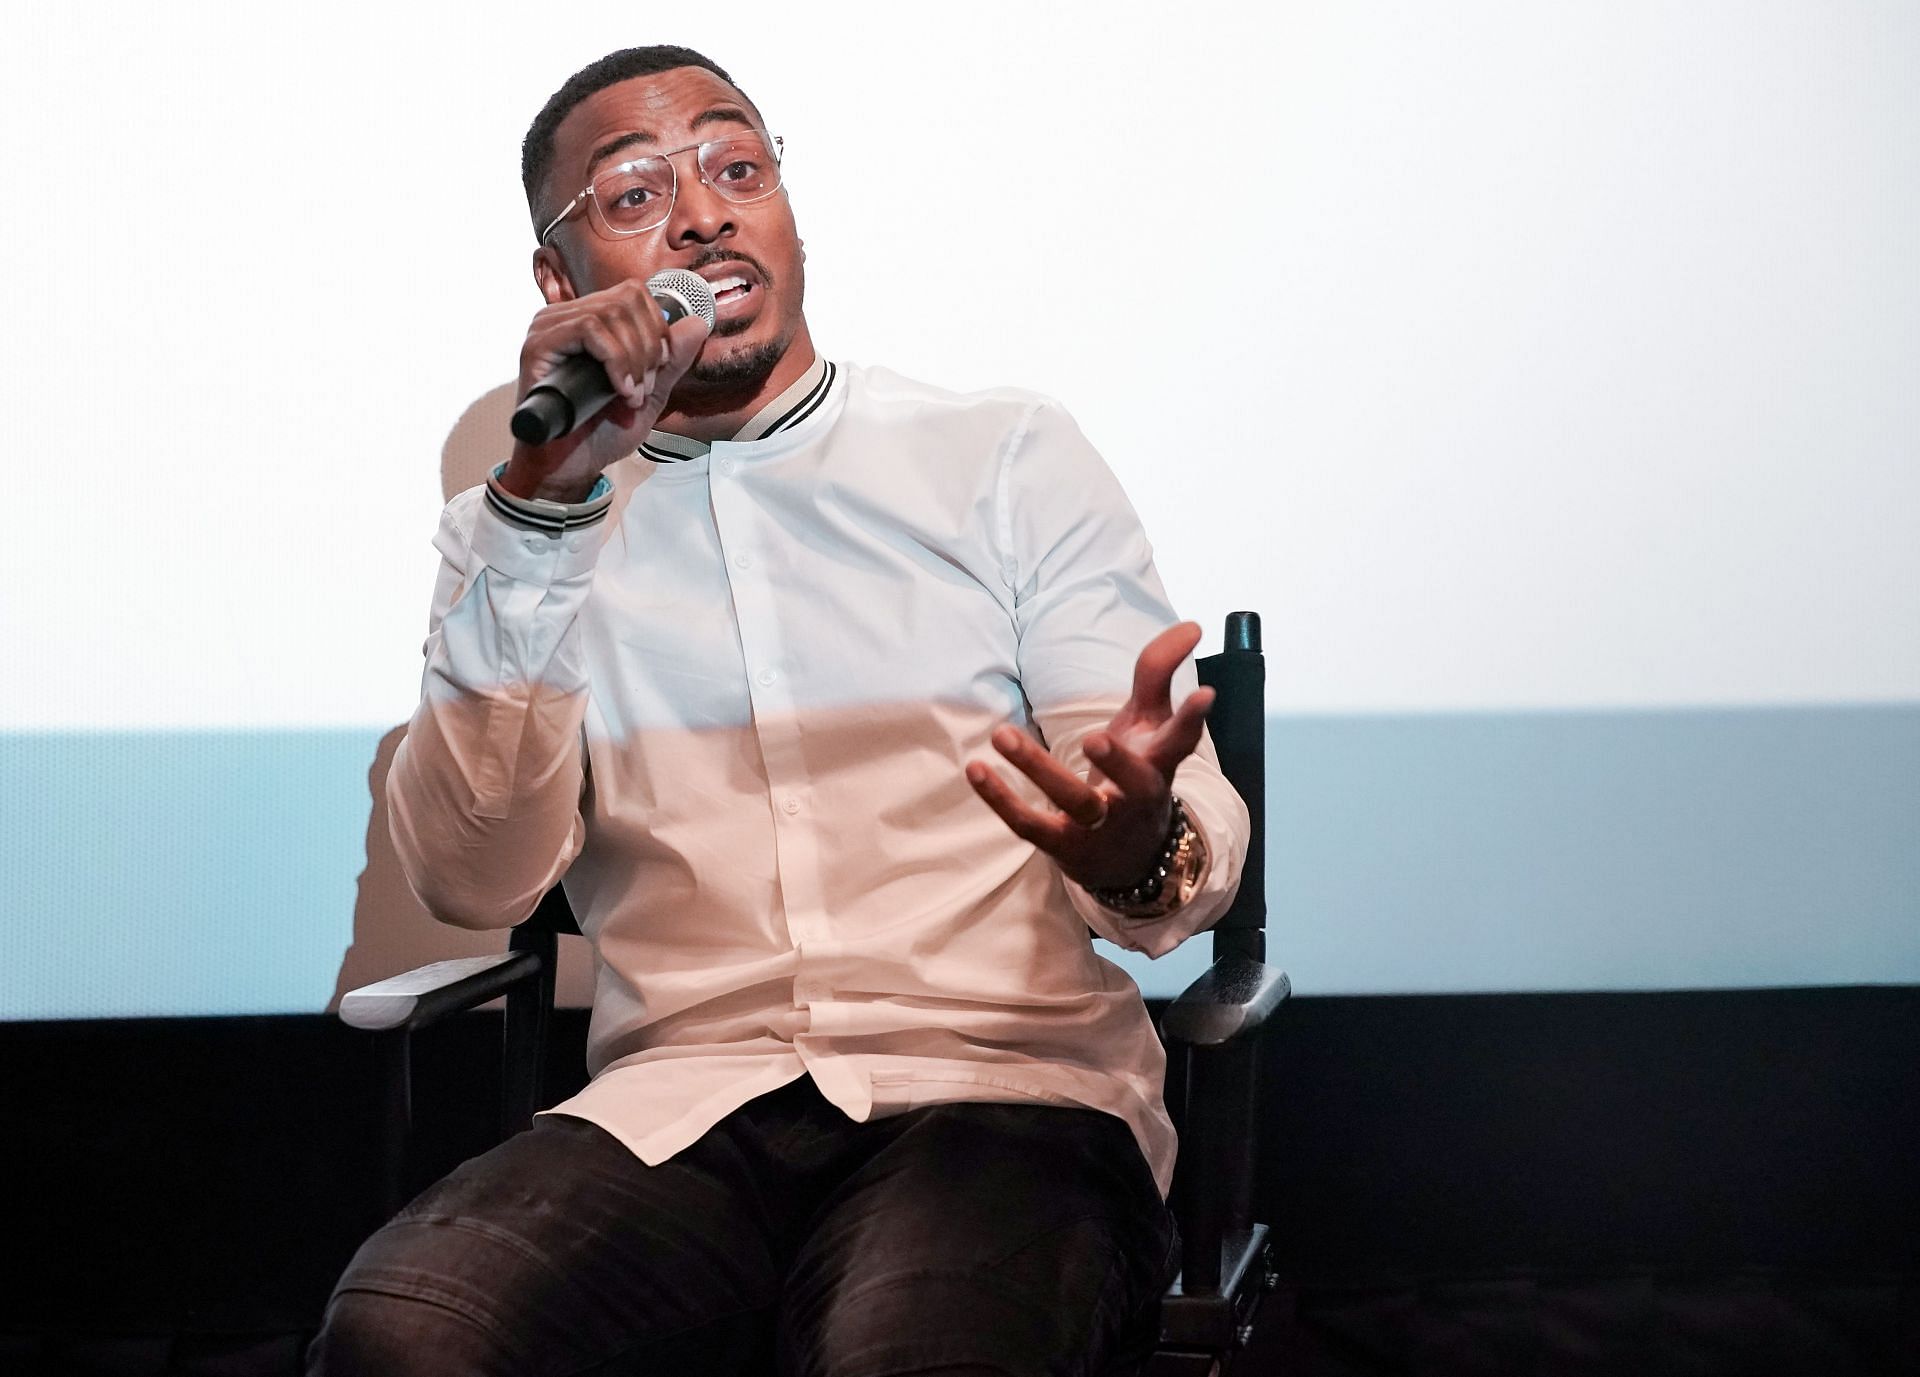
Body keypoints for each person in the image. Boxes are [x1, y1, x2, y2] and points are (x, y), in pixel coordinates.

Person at [310, 43, 1249, 1377]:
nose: (704, 213)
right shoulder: (516, 529)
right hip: (680, 1111)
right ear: (561, 283)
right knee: (405, 1335)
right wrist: (540, 518)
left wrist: (1133, 849)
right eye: (636, 194)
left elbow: (1160, 814)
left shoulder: (1001, 455)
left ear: (785, 209)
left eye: (737, 167)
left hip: (1002, 1096)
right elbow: (474, 878)